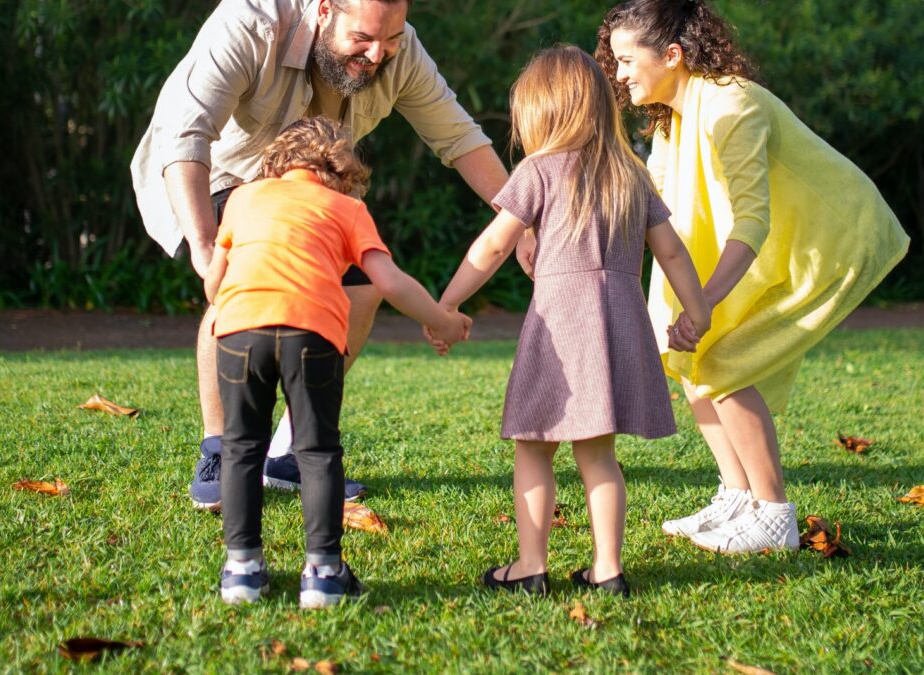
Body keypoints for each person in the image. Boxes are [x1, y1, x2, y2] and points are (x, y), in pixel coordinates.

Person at [130, 0, 511, 511]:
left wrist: (519, 219)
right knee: (246, 279)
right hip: (230, 178)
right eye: (363, 39)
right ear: (325, 9)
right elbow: (186, 137)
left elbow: (459, 137)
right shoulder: (252, 22)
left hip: (321, 190)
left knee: (363, 289)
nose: (378, 55)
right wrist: (205, 246)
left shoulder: (399, 51)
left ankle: (290, 452)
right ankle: (220, 448)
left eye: (392, 39)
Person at [596, 0, 910, 553]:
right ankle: (737, 496)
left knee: (720, 357)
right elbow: (661, 210)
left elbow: (752, 221)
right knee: (690, 357)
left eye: (626, 60)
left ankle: (773, 516)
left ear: (671, 55)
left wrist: (705, 305)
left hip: (826, 248)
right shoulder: (672, 118)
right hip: (763, 254)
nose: (618, 75)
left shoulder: (731, 106)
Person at [430, 45, 710, 597]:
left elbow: (491, 248)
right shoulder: (630, 174)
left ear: (541, 113)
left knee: (534, 446)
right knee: (599, 455)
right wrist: (696, 313)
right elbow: (672, 253)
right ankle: (607, 570)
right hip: (618, 326)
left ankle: (530, 566)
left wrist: (447, 305)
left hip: (561, 328)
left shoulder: (538, 171)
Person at [206, 117, 470, 606]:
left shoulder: (243, 199)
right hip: (314, 332)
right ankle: (323, 575)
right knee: (318, 450)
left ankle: (242, 570)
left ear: (277, 163)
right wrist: (442, 321)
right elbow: (388, 283)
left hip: (241, 331)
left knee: (242, 446)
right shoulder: (348, 208)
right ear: (344, 173)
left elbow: (211, 284)